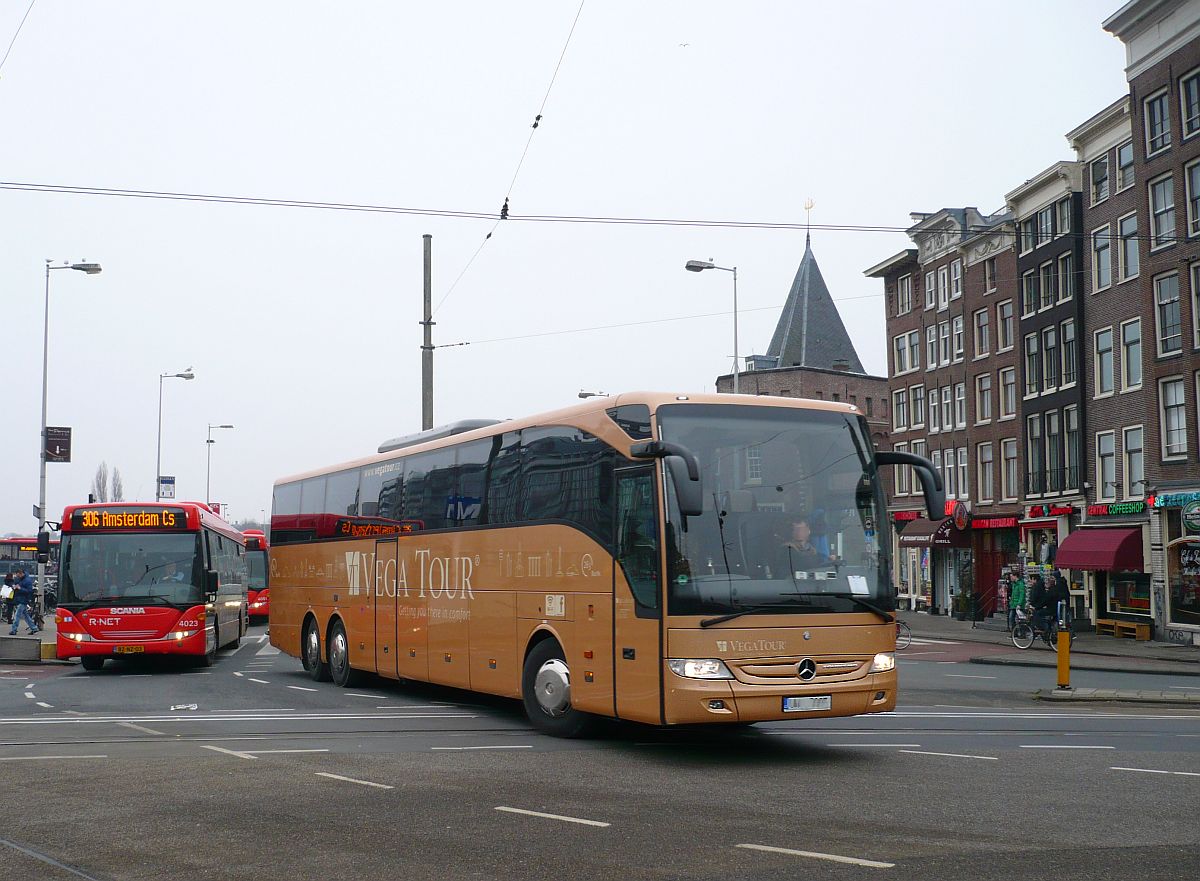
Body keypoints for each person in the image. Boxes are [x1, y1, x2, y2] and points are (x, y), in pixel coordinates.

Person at [8, 568, 39, 636]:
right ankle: (34, 628)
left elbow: (29, 591)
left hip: (23, 600)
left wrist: (19, 588)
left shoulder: (27, 581)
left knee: (17, 615)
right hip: (21, 599)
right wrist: (15, 586)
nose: (17, 576)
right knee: (25, 615)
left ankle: (14, 630)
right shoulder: (22, 579)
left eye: (18, 575)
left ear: (21, 573)